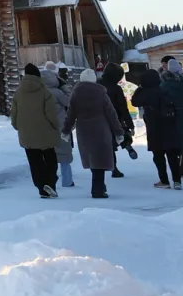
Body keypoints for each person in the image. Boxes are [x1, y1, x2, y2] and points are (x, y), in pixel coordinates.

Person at [63, 69, 124, 198]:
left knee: (92, 158)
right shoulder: (101, 93)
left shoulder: (76, 93)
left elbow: (70, 114)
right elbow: (111, 114)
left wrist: (66, 130)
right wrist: (118, 132)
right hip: (101, 129)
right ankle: (98, 190)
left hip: (83, 130)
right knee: (100, 159)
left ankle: (99, 186)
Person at [11, 64, 64, 198]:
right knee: (50, 159)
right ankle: (50, 183)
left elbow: (14, 114)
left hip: (27, 134)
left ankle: (41, 187)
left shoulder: (18, 93)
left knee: (35, 162)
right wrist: (55, 126)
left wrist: (18, 126)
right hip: (45, 132)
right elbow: (50, 113)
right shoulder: (45, 92)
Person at [134, 66, 183, 189]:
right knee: (172, 155)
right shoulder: (163, 90)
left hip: (154, 127)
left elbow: (134, 102)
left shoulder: (146, 93)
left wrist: (140, 88)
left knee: (158, 156)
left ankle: (164, 181)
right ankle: (177, 181)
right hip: (170, 126)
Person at [100, 63, 136, 178]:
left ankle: (113, 168)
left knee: (108, 144)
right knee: (121, 133)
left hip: (100, 118)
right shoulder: (116, 88)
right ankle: (127, 145)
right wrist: (130, 124)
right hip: (116, 117)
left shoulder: (97, 85)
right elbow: (123, 108)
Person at [45, 65, 77, 189]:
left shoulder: (39, 92)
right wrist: (64, 87)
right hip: (60, 125)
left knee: (48, 155)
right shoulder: (57, 92)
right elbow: (70, 101)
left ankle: (49, 181)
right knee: (64, 154)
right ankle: (67, 181)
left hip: (45, 126)